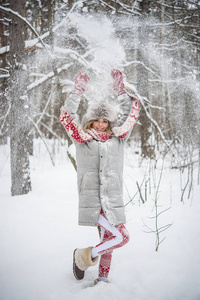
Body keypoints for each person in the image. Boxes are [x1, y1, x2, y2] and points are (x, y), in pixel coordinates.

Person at [60, 69, 140, 285]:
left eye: (105, 121)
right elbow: (68, 115)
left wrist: (120, 90)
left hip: (113, 201)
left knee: (109, 238)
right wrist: (77, 91)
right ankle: (84, 257)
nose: (101, 124)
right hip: (93, 202)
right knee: (122, 237)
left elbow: (128, 113)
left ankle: (102, 280)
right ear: (90, 121)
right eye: (97, 120)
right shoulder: (82, 139)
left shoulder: (119, 139)